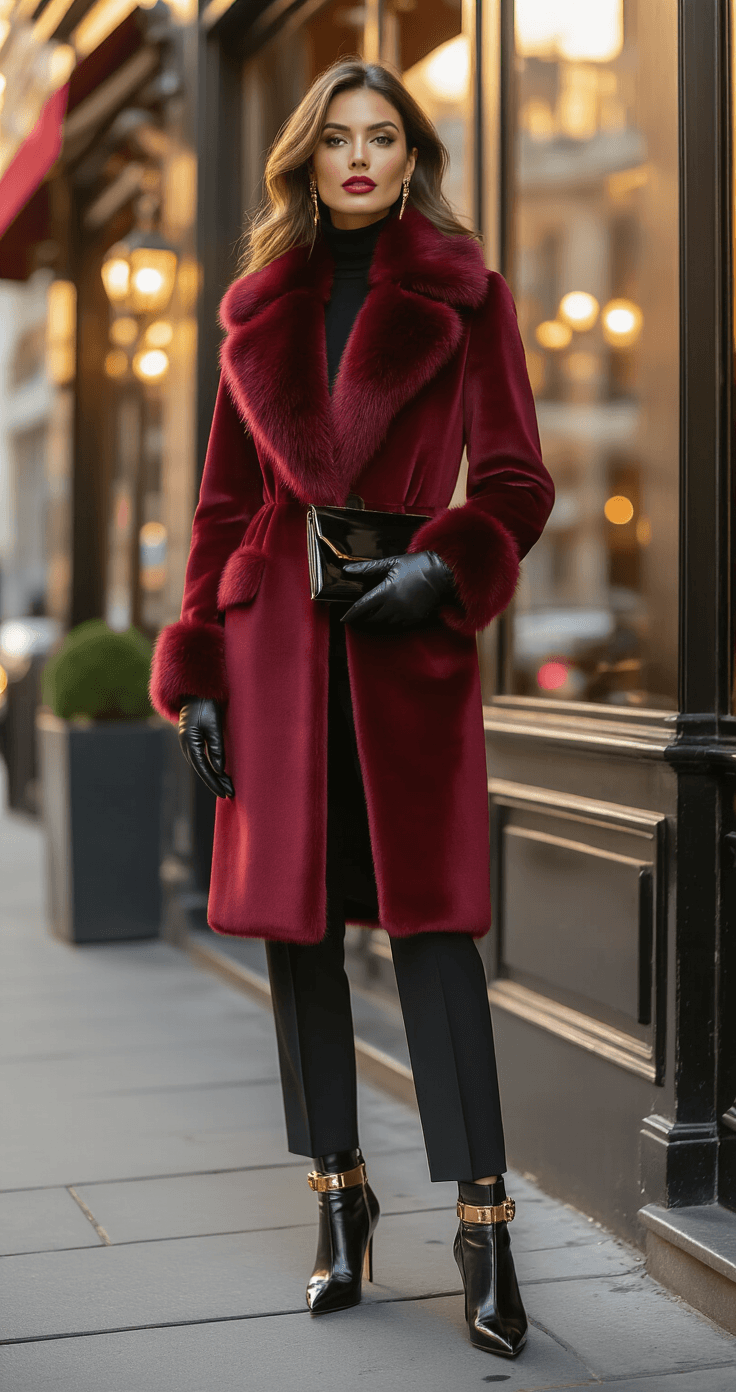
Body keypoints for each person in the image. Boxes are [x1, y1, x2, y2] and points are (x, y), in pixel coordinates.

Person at [150, 57, 554, 1359]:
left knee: (436, 940)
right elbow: (221, 512)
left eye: (384, 136)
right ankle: (340, 1200)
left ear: (410, 154)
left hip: (406, 641)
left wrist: (443, 567)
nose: (362, 158)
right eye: (339, 139)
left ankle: (484, 1223)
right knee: (300, 934)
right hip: (275, 653)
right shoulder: (256, 309)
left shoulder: (463, 295)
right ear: (307, 160)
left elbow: (516, 481)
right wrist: (197, 670)